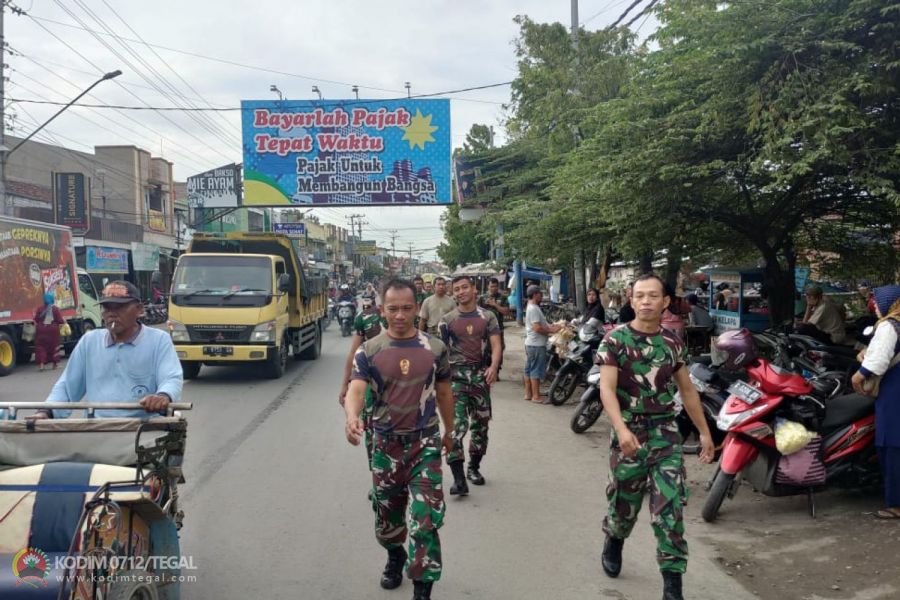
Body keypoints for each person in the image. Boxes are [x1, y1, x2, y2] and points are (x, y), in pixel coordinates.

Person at [596, 274, 714, 600]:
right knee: (624, 503)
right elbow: (606, 388)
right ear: (631, 301)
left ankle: (672, 582)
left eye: (653, 296)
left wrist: (704, 432)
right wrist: (620, 430)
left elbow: (687, 391)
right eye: (640, 296)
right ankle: (615, 539)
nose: (646, 301)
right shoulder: (615, 340)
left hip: (665, 434)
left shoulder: (673, 342)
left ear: (665, 302)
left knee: (669, 509)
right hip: (629, 432)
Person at [343, 278, 455, 600]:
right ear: (382, 310)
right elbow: (357, 388)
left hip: (425, 444)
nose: (401, 315)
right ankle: (395, 554)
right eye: (393, 309)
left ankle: (422, 587)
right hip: (386, 445)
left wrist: (451, 431)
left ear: (416, 307)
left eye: (407, 308)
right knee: (387, 517)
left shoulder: (435, 349)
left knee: (425, 520)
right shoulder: (370, 350)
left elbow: (445, 393)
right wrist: (352, 416)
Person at [33, 281, 182, 420]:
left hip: (144, 428)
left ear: (139, 310)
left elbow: (171, 377)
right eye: (107, 307)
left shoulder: (158, 340)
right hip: (98, 429)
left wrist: (163, 396)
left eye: (120, 307)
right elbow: (67, 386)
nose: (112, 313)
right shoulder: (89, 342)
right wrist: (46, 411)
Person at [439, 275, 502, 496]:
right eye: (456, 289)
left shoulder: (488, 317)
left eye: (465, 287)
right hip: (455, 380)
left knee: (480, 427)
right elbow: (441, 352)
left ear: (474, 289)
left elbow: (496, 345)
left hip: (480, 378)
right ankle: (458, 479)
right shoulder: (447, 321)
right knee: (456, 427)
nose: (461, 292)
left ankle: (473, 468)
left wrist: (493, 367)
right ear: (452, 293)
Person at [851, 284, 900, 520]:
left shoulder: (890, 326)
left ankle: (896, 504)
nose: (875, 306)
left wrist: (858, 376)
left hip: (894, 390)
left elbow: (879, 361)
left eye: (877, 302)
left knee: (891, 444)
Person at [339, 297, 389, 464]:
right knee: (372, 429)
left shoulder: (408, 318)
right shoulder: (364, 317)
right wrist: (345, 385)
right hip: (370, 381)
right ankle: (378, 475)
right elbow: (353, 353)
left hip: (402, 383)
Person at [524, 285, 561, 404]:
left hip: (531, 344)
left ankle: (529, 394)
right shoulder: (534, 308)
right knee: (536, 370)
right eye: (540, 294)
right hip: (536, 344)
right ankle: (536, 396)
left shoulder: (531, 307)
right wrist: (552, 331)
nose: (541, 296)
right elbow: (537, 328)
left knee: (529, 369)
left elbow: (540, 326)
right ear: (535, 294)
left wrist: (550, 327)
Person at [478, 277, 511, 379]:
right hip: (484, 329)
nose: (494, 288)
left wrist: (495, 305)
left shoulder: (503, 297)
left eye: (495, 286)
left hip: (497, 329)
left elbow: (506, 311)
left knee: (498, 349)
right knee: (484, 350)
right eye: (491, 286)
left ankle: (495, 371)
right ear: (488, 286)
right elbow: (477, 312)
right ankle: (485, 371)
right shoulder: (482, 298)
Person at [33, 292, 65, 371]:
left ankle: (41, 365)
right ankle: (55, 364)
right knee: (54, 347)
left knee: (41, 347)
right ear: (52, 299)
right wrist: (64, 321)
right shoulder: (55, 309)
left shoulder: (40, 309)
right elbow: (60, 320)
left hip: (41, 330)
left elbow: (36, 319)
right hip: (52, 331)